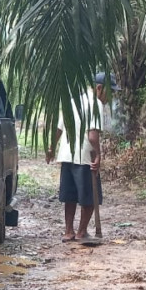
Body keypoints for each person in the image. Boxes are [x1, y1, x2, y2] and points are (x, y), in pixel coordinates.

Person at [46, 77, 106, 243]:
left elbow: (59, 129)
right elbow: (92, 135)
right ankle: (81, 232)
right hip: (85, 156)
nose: (109, 97)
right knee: (90, 197)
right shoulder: (96, 104)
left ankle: (68, 231)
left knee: (70, 195)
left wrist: (51, 148)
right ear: (99, 88)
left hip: (66, 155)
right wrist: (98, 154)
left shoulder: (72, 102)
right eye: (110, 92)